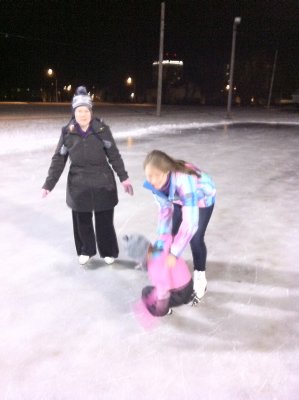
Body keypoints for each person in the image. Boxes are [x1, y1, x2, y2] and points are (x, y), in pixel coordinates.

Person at [41, 86, 133, 266]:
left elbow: (114, 155)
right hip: (78, 183)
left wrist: (124, 177)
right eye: (79, 111)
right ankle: (85, 249)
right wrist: (48, 184)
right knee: (81, 220)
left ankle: (108, 251)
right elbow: (59, 160)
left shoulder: (102, 130)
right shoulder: (67, 132)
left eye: (86, 110)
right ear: (74, 112)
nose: (83, 114)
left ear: (91, 111)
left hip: (102, 181)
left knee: (104, 220)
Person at [143, 150, 216, 299]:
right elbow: (164, 210)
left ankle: (200, 276)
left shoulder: (184, 180)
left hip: (202, 199)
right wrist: (163, 239)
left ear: (167, 172)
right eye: (150, 176)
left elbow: (190, 222)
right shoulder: (154, 185)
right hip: (178, 199)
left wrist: (174, 253)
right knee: (171, 235)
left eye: (157, 176)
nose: (153, 181)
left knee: (195, 238)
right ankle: (170, 276)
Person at [122, 233, 199, 317]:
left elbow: (163, 293)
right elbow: (167, 237)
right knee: (174, 277)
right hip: (189, 284)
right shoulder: (160, 244)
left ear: (140, 258)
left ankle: (169, 309)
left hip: (179, 294)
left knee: (146, 291)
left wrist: (160, 310)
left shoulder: (155, 270)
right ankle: (189, 298)